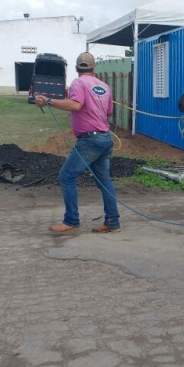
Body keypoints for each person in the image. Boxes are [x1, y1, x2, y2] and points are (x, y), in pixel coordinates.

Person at [35, 52, 121, 233]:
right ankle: (112, 221)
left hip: (90, 140)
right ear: (93, 68)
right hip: (105, 138)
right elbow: (109, 112)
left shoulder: (78, 83)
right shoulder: (104, 86)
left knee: (66, 176)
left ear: (76, 68)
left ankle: (71, 220)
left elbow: (75, 105)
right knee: (105, 182)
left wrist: (49, 101)